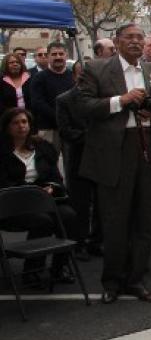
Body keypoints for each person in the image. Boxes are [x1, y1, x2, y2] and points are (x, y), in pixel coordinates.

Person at [75, 22, 151, 303]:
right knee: (115, 221)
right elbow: (83, 107)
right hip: (113, 153)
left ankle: (136, 279)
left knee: (145, 220)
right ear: (116, 42)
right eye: (129, 37)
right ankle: (112, 281)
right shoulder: (97, 69)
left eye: (140, 38)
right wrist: (121, 100)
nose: (136, 42)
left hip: (147, 149)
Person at [0, 108, 80, 285]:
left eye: (24, 122)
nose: (21, 126)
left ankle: (60, 267)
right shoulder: (3, 152)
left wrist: (51, 188)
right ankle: (32, 270)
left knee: (69, 216)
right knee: (43, 220)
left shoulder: (43, 148)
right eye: (15, 123)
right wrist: (33, 190)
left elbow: (56, 178)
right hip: (13, 205)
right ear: (6, 127)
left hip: (44, 200)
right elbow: (3, 184)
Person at [56, 62, 97, 258]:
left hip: (102, 157)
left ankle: (97, 241)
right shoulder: (63, 100)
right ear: (74, 76)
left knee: (101, 203)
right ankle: (79, 243)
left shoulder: (100, 98)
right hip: (79, 157)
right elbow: (65, 131)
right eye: (81, 76)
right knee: (80, 203)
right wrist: (90, 137)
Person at [26, 41, 73, 149]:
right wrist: (59, 117)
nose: (58, 57)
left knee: (72, 163)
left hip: (70, 128)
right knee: (48, 163)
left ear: (66, 56)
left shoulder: (73, 76)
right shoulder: (39, 77)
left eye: (61, 54)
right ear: (48, 56)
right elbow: (37, 102)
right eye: (54, 54)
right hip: (48, 128)